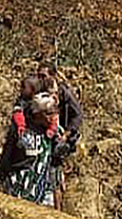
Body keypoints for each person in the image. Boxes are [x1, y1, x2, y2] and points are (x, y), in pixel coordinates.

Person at [0, 94, 59, 207]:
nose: (53, 117)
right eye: (48, 113)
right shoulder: (22, 130)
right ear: (37, 114)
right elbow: (8, 152)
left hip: (43, 189)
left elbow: (55, 161)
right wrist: (1, 173)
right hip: (19, 185)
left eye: (55, 112)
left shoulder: (53, 132)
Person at [38, 63, 83, 211]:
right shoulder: (40, 92)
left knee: (54, 170)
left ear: (53, 76)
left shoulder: (65, 93)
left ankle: (58, 210)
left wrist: (66, 134)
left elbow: (77, 115)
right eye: (39, 76)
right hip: (47, 135)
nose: (41, 79)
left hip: (63, 136)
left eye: (44, 76)